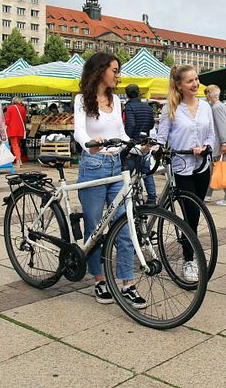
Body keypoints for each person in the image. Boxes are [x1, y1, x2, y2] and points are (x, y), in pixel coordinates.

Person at [73, 52, 146, 308]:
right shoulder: (82, 99)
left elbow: (121, 133)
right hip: (93, 165)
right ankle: (100, 279)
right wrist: (89, 145)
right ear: (100, 70)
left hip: (116, 165)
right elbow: (79, 130)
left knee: (123, 228)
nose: (118, 75)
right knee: (94, 229)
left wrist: (139, 148)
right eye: (114, 70)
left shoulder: (116, 100)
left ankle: (127, 282)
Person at [155, 65, 215, 282]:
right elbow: (161, 138)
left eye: (196, 79)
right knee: (191, 215)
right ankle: (189, 260)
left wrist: (206, 146)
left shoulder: (206, 107)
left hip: (202, 166)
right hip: (181, 167)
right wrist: (153, 150)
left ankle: (190, 253)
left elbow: (211, 136)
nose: (195, 84)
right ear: (179, 85)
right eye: (190, 81)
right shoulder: (170, 108)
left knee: (197, 214)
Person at [203, 84, 226, 206]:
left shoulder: (216, 107)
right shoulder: (221, 106)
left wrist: (223, 142)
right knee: (218, 169)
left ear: (209, 94)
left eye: (206, 93)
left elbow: (221, 126)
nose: (205, 96)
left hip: (223, 144)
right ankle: (207, 195)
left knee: (221, 169)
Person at [123, 83, 157, 204]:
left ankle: (123, 196)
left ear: (127, 94)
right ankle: (152, 197)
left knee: (126, 172)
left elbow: (130, 125)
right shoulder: (147, 107)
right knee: (146, 171)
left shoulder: (129, 107)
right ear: (138, 93)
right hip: (144, 143)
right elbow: (152, 125)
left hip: (133, 144)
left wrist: (127, 142)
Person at [5, 96, 27, 168]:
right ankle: (19, 159)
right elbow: (24, 119)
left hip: (12, 129)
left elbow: (7, 120)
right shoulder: (23, 108)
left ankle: (18, 160)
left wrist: (5, 126)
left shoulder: (10, 108)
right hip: (20, 129)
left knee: (14, 145)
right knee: (17, 145)